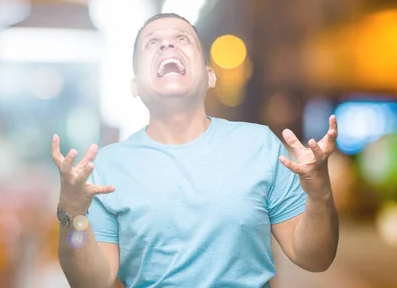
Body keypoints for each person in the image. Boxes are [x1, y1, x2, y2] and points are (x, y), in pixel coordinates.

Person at [51, 13, 339, 288]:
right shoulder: (106, 167)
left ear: (210, 76)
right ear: (135, 86)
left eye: (182, 39)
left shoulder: (259, 145)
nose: (166, 44)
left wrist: (320, 193)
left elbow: (315, 258)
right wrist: (74, 216)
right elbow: (91, 282)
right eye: (152, 43)